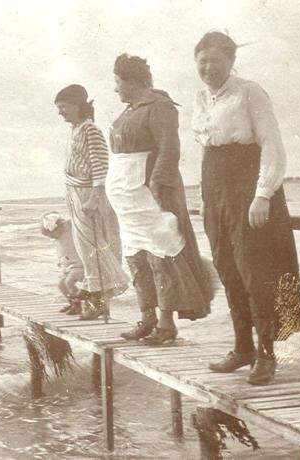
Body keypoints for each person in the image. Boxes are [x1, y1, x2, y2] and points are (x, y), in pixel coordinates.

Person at [192, 31, 300, 385]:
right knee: (227, 268)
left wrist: (263, 194)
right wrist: (204, 198)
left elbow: (271, 144)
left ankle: (266, 355)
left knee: (253, 271)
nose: (208, 68)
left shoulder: (249, 91)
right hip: (216, 189)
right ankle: (242, 348)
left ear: (231, 61)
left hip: (247, 185)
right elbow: (206, 149)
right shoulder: (201, 98)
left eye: (215, 61)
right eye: (202, 62)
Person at [108, 54, 213, 345]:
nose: (115, 89)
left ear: (133, 81)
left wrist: (157, 185)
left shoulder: (160, 106)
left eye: (117, 82)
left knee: (161, 256)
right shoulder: (130, 110)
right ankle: (147, 317)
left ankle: (166, 326)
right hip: (128, 203)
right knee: (137, 257)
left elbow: (169, 149)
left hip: (149, 197)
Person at [54, 84, 129, 320]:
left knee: (94, 251)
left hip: (89, 196)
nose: (60, 112)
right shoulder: (75, 130)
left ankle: (100, 304)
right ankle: (84, 301)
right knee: (84, 251)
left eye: (63, 107)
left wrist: (95, 198)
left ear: (77, 106)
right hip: (76, 195)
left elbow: (101, 165)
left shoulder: (90, 130)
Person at [40, 212, 85, 314]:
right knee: (61, 285)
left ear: (59, 227)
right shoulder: (57, 238)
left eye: (51, 234)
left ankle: (79, 305)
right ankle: (73, 303)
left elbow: (73, 220)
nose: (50, 237)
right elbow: (61, 251)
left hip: (80, 264)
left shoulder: (69, 229)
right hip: (68, 266)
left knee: (69, 282)